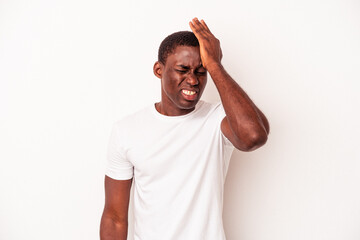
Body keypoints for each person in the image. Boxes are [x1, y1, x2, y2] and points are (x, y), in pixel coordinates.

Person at [100, 18, 270, 240]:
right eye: (183, 69)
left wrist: (216, 65)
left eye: (201, 71)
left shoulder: (218, 119)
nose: (193, 80)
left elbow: (253, 136)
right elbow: (114, 217)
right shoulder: (127, 130)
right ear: (159, 70)